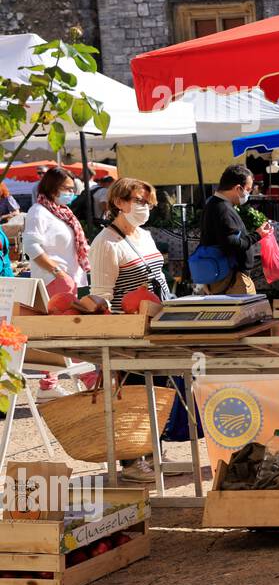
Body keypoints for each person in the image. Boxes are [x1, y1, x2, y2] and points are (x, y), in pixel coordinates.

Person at [89, 178, 174, 484]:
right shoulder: (105, 243)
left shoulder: (145, 236)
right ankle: (130, 460)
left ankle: (153, 453)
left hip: (155, 325)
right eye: (138, 201)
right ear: (119, 203)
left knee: (158, 391)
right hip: (127, 332)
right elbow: (101, 295)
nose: (144, 208)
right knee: (133, 394)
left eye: (147, 202)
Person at [22, 167, 90, 301]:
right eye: (67, 188)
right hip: (52, 280)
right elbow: (31, 247)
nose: (71, 192)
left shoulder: (63, 212)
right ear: (52, 188)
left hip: (67, 279)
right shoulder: (38, 212)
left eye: (72, 189)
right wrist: (58, 273)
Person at [199, 164, 268, 296]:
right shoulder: (222, 209)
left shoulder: (215, 205)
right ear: (238, 188)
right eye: (247, 189)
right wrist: (257, 235)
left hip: (224, 277)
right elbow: (231, 244)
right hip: (232, 281)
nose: (248, 194)